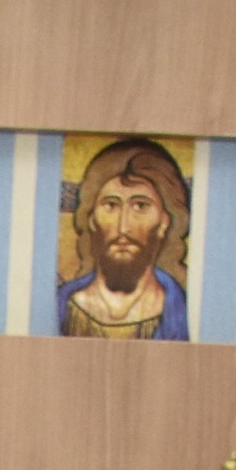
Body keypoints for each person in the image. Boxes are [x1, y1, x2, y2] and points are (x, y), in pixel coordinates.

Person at [55, 133, 191, 341]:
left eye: (140, 206)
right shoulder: (61, 305)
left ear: (165, 221)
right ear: (91, 219)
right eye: (111, 205)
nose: (123, 227)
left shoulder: (184, 313)